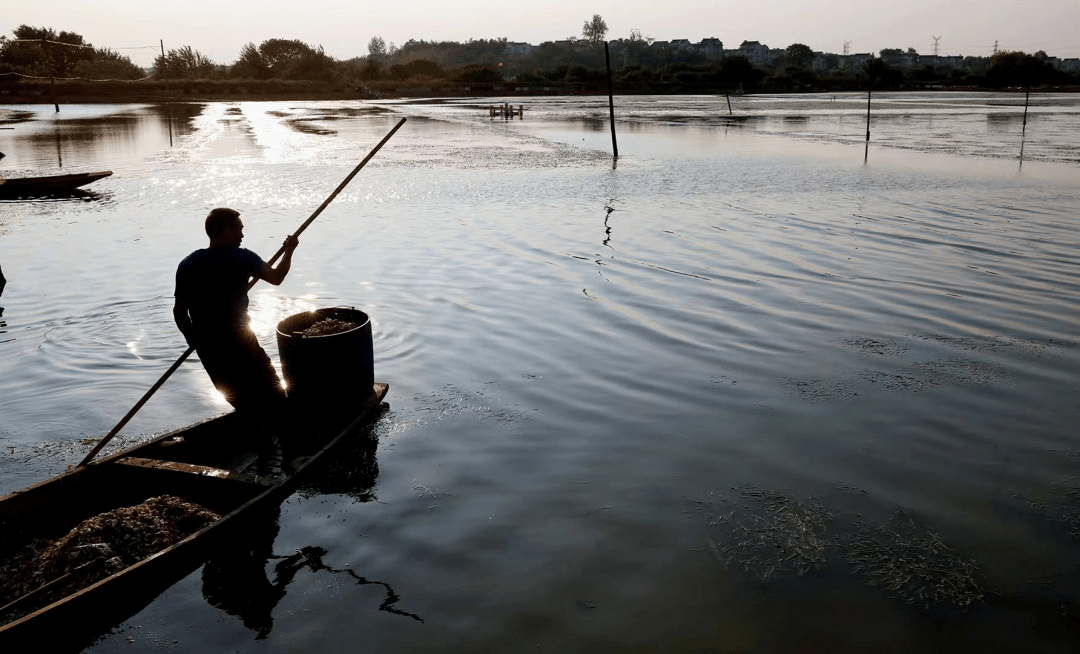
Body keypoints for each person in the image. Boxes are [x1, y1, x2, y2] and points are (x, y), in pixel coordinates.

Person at [173, 208, 298, 469]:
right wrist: (289, 250)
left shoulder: (188, 263)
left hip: (208, 346)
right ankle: (288, 452)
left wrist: (192, 340)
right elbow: (276, 278)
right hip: (241, 342)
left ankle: (260, 440)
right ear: (226, 228)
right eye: (239, 227)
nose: (243, 232)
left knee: (239, 399)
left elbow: (180, 312)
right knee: (275, 395)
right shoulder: (242, 258)